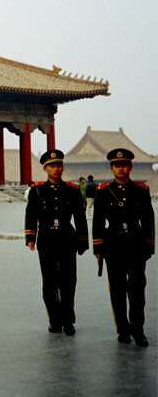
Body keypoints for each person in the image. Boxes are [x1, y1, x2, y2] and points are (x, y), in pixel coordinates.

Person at [92, 148, 154, 347]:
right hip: (114, 246)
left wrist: (149, 245)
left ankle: (138, 330)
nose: (121, 169)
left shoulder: (141, 191)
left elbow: (149, 220)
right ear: (112, 168)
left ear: (130, 167)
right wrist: (98, 247)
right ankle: (122, 330)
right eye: (117, 165)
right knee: (117, 290)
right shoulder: (102, 192)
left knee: (137, 290)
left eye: (125, 165)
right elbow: (98, 221)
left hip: (135, 245)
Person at [24, 150, 88, 336]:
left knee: (68, 281)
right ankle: (54, 319)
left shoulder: (72, 190)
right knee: (50, 281)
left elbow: (79, 217)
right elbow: (31, 215)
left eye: (59, 165)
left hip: (67, 239)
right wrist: (31, 237)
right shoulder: (37, 190)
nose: (56, 169)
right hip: (46, 240)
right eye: (52, 166)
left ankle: (68, 320)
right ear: (45, 168)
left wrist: (82, 241)